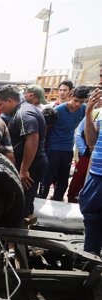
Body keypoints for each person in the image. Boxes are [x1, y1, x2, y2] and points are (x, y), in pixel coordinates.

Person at [0, 84, 47, 221]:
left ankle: (16, 238)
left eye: (0, 104)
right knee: (24, 200)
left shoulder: (24, 114)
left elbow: (33, 140)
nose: (0, 108)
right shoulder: (22, 110)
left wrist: (24, 170)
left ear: (10, 101)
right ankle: (21, 232)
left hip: (30, 166)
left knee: (20, 202)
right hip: (29, 164)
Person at [39, 86, 88, 201]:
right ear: (71, 96)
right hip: (53, 148)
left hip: (67, 149)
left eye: (81, 102)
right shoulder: (59, 110)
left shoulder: (84, 110)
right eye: (76, 100)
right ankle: (41, 199)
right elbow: (47, 129)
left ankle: (57, 200)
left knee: (63, 179)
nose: (77, 104)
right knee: (47, 177)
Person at [80, 84, 102, 255]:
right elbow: (91, 142)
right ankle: (91, 260)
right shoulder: (99, 112)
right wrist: (88, 113)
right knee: (91, 216)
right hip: (96, 174)